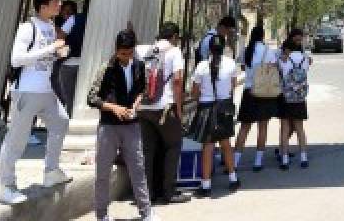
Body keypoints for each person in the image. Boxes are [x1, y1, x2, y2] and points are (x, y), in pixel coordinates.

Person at [0, 0, 72, 205]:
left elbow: (46, 57)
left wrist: (58, 54)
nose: (60, 5)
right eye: (56, 2)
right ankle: (6, 186)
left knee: (61, 123)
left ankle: (51, 171)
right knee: (17, 139)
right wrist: (50, 50)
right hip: (27, 91)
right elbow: (17, 59)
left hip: (46, 91)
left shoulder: (50, 27)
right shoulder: (27, 28)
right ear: (43, 6)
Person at [87, 29, 156, 221]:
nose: (125, 57)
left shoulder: (140, 66)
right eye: (122, 53)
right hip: (109, 126)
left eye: (129, 53)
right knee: (102, 172)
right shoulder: (106, 68)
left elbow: (141, 90)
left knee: (138, 170)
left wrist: (135, 104)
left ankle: (146, 212)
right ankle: (101, 215)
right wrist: (114, 108)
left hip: (131, 125)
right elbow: (92, 98)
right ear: (116, 50)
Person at [136, 21, 190, 205]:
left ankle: (148, 193)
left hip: (143, 108)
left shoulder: (144, 50)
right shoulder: (174, 52)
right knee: (172, 146)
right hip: (165, 107)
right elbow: (177, 81)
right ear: (174, 36)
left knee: (148, 150)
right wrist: (179, 108)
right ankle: (169, 192)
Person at [188, 40, 242, 196]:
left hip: (206, 108)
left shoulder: (201, 66)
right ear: (224, 47)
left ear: (209, 49)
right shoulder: (231, 64)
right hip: (223, 107)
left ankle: (206, 185)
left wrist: (201, 99)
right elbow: (233, 85)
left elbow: (194, 92)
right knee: (226, 144)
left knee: (208, 147)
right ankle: (233, 179)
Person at [233, 25, 279, 172]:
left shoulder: (246, 50)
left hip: (248, 92)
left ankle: (234, 162)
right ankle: (258, 162)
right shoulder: (268, 51)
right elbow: (273, 69)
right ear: (263, 35)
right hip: (263, 93)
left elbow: (243, 68)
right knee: (263, 127)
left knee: (244, 128)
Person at [277, 32, 312, 170]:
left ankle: (284, 159)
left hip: (286, 97)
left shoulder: (284, 60)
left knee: (285, 129)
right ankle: (303, 157)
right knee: (300, 129)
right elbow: (307, 70)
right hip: (299, 97)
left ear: (289, 48)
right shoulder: (306, 60)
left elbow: (280, 72)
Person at [57, 0, 86, 115]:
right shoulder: (99, 20)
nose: (67, 14)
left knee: (69, 98)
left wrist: (61, 53)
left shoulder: (74, 19)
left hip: (69, 64)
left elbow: (60, 37)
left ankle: (68, 122)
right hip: (85, 65)